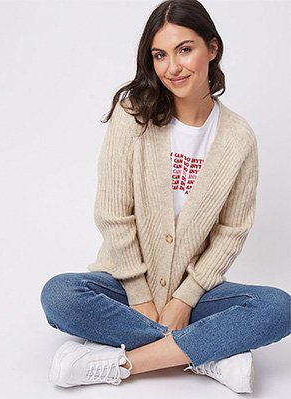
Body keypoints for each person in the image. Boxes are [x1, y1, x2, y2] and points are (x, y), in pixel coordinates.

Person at [40, 0, 291, 393]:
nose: (172, 67)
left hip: (197, 295)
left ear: (212, 48)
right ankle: (206, 355)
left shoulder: (238, 137)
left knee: (279, 308)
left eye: (185, 49)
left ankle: (121, 363)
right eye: (160, 55)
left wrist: (185, 299)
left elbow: (232, 231)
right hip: (123, 285)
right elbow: (112, 213)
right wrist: (140, 296)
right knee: (60, 295)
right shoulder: (133, 115)